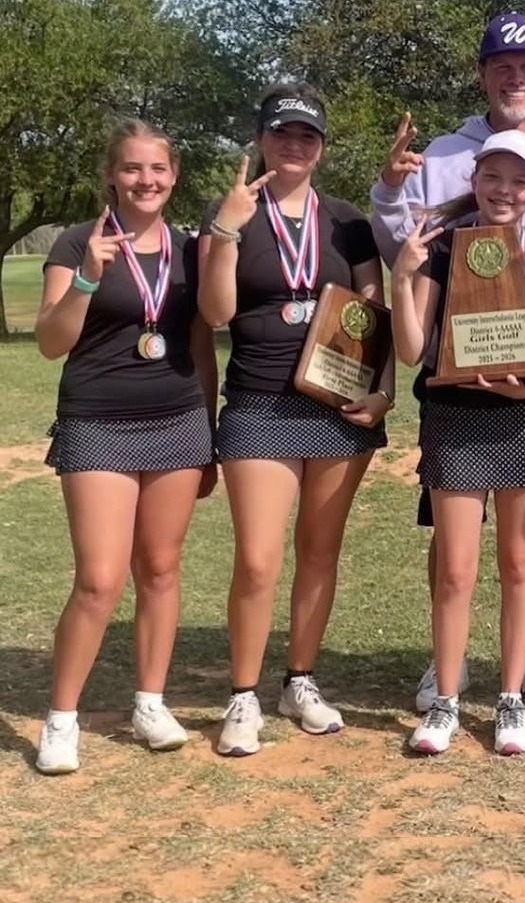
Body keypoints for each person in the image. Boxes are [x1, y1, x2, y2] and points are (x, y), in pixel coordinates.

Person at [370, 12, 525, 713]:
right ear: (484, 74)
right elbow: (406, 250)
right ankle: (450, 661)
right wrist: (387, 193)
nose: (515, 78)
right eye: (502, 66)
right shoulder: (440, 155)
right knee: (454, 535)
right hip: (454, 385)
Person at [198, 84, 394, 758]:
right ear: (261, 139)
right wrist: (226, 229)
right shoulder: (230, 211)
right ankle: (243, 694)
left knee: (319, 550)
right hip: (259, 404)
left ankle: (300, 681)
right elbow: (216, 312)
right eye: (282, 133)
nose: (294, 145)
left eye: (307, 136)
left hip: (339, 405)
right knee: (258, 560)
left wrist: (384, 390)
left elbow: (374, 310)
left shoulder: (347, 222)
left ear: (321, 148)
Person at [34, 120, 218, 775]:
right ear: (112, 175)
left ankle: (150, 703)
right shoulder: (77, 241)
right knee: (99, 580)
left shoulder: (189, 250)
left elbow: (201, 345)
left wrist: (208, 432)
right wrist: (87, 278)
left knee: (161, 569)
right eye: (133, 168)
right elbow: (50, 342)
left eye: (158, 169)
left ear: (174, 176)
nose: (147, 180)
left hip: (178, 422)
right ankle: (61, 719)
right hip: (98, 422)